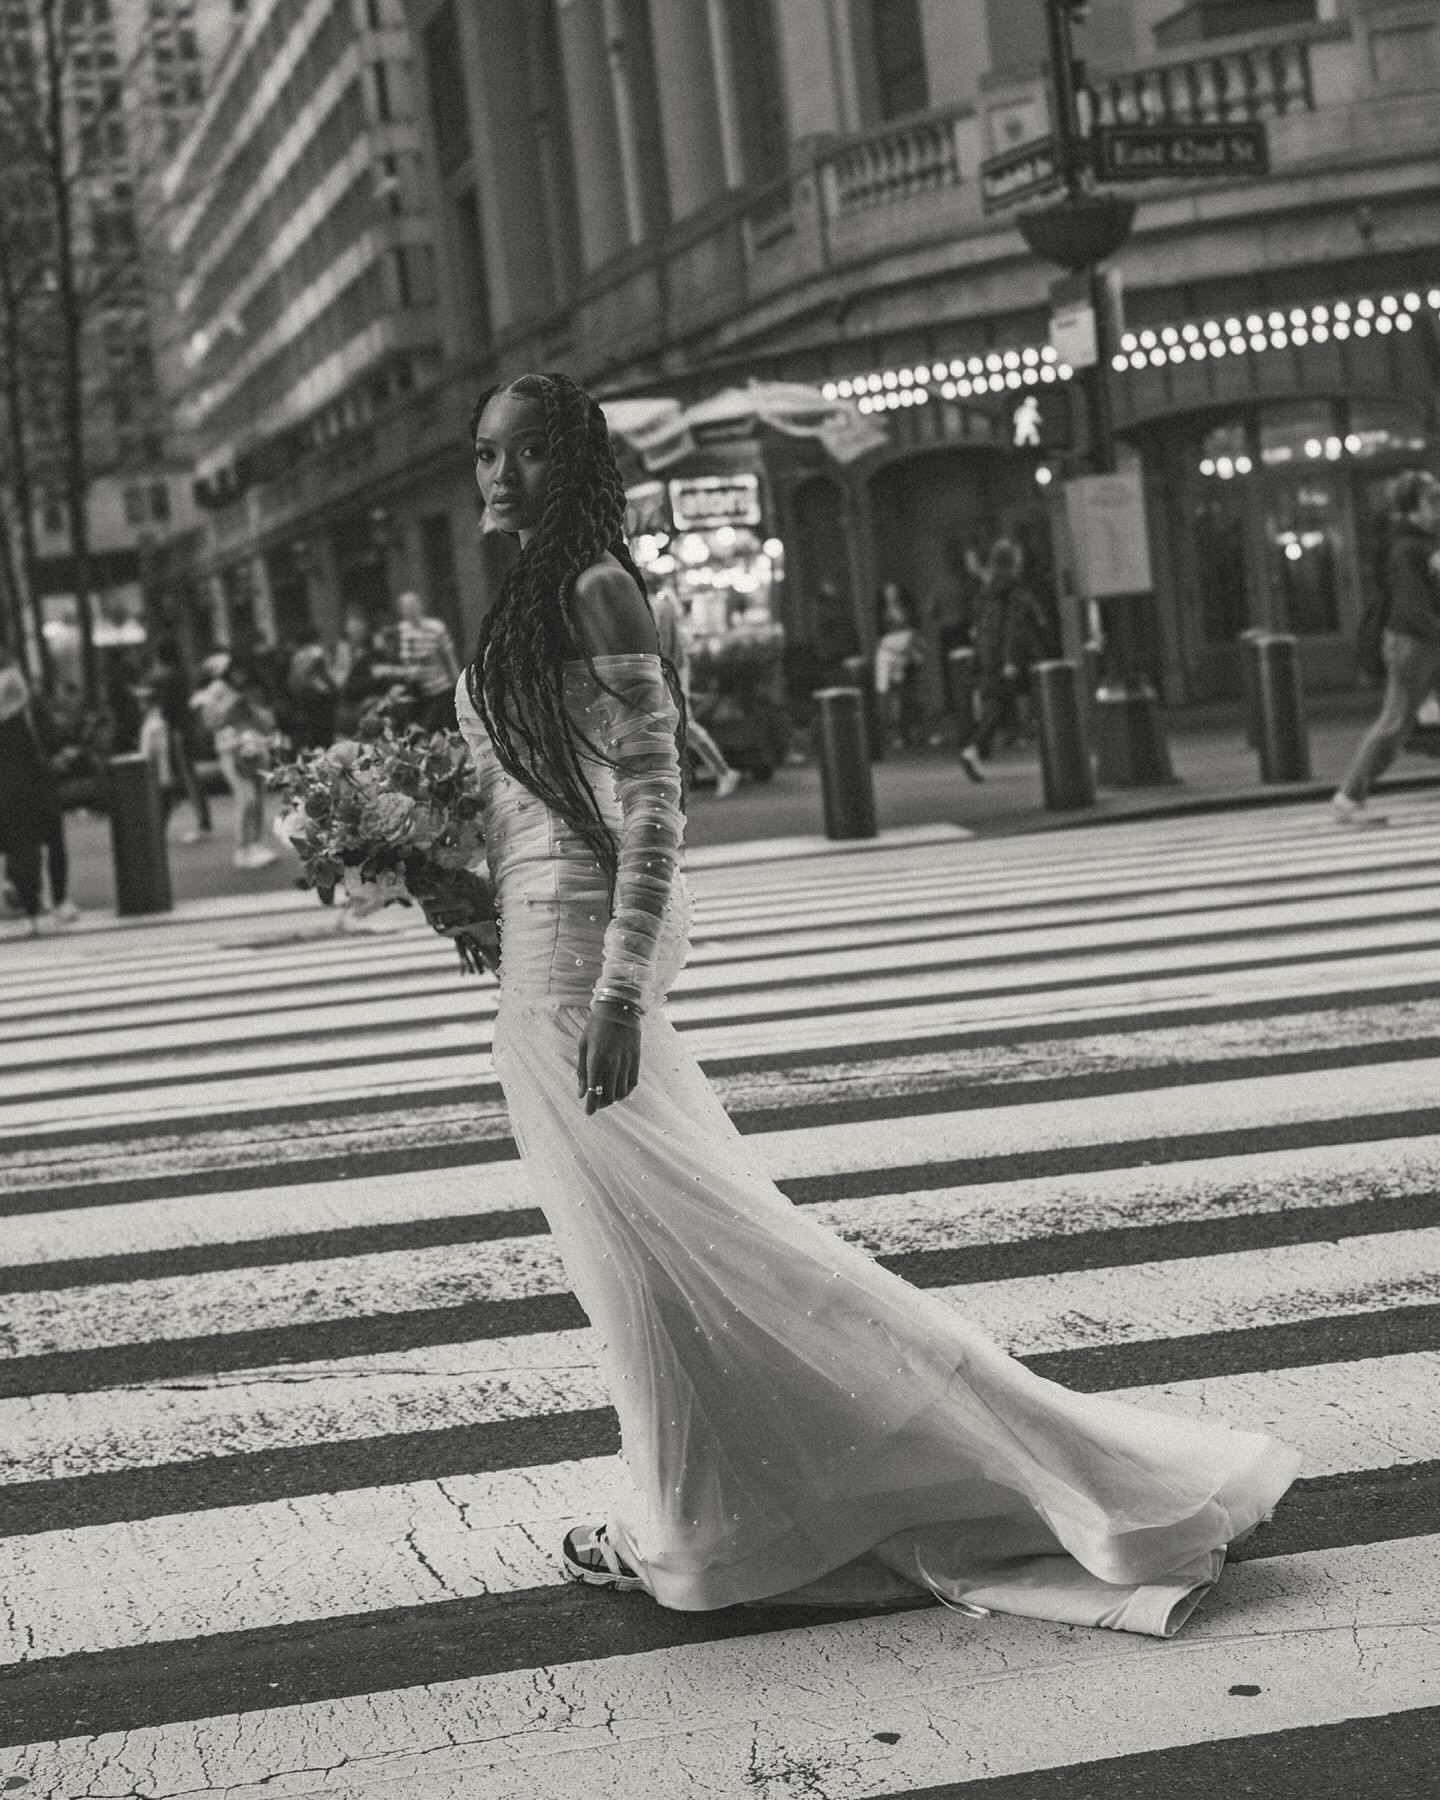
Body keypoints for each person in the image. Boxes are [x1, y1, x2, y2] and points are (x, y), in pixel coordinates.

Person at [424, 368, 1297, 1635]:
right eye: (485, 454)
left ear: (578, 463)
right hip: (530, 969)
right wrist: (456, 893)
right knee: (642, 1272)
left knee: (720, 1255)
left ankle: (1008, 1476)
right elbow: (535, 802)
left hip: (580, 981)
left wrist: (618, 988)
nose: (499, 477)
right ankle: (703, 1517)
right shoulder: (519, 602)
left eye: (525, 455)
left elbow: (657, 803)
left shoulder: (594, 588)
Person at [1332, 469, 1440, 826]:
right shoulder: (1409, 548)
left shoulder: (1422, 544)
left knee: (1398, 725)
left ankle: (1350, 795)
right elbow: (1413, 607)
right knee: (1394, 724)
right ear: (1412, 508)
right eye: (1432, 500)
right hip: (1413, 644)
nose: (1438, 507)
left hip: (1422, 641)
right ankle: (1349, 796)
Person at [0, 647, 78, 932]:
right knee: (54, 841)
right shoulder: (29, 707)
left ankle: (31, 908)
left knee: (21, 850)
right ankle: (59, 902)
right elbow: (53, 737)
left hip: (6, 794)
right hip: (37, 786)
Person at [959, 538, 1049, 782]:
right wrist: (1011, 660)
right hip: (1002, 656)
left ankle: (976, 751)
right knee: (999, 707)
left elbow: (981, 626)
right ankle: (973, 748)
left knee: (997, 705)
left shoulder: (988, 590)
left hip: (987, 653)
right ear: (1013, 561)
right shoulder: (1013, 589)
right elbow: (1012, 625)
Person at [651, 581, 740, 796]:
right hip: (673, 681)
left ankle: (717, 772)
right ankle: (708, 774)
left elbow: (668, 653)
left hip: (671, 681)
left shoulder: (660, 615)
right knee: (681, 730)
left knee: (682, 729)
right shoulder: (667, 617)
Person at [190, 652, 278, 869]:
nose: (239, 676)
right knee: (245, 798)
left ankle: (256, 844)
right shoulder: (218, 691)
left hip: (255, 746)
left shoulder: (253, 690)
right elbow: (209, 720)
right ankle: (242, 849)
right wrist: (230, 708)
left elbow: (267, 719)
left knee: (257, 799)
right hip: (231, 749)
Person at [149, 637, 213, 841]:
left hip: (175, 730)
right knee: (184, 774)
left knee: (183, 774)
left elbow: (167, 708)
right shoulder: (181, 674)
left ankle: (201, 821)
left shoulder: (167, 678)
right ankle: (200, 819)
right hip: (183, 728)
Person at [387, 589, 460, 732]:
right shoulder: (401, 631)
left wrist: (457, 683)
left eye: (413, 606)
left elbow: (449, 657)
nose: (410, 611)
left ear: (420, 606)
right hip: (417, 692)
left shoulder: (436, 628)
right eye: (406, 607)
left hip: (440, 687)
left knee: (445, 729)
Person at [873, 580, 924, 750]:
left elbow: (915, 629)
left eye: (894, 591)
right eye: (889, 591)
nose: (892, 594)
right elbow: (881, 636)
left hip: (907, 657)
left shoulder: (906, 610)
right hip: (891, 658)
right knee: (894, 697)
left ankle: (911, 730)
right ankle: (895, 732)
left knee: (910, 694)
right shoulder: (882, 614)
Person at [285, 625, 338, 751]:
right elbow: (323, 674)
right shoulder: (316, 652)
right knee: (324, 735)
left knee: (313, 738)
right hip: (317, 695)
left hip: (303, 698)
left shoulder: (297, 656)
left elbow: (294, 680)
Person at [135, 682, 178, 825]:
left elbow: (150, 752)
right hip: (161, 777)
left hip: (158, 778)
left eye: (141, 701)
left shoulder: (153, 725)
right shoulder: (155, 722)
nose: (139, 705)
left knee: (158, 813)